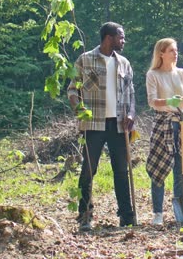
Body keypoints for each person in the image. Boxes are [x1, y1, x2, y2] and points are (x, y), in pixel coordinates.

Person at [67, 22, 136, 231]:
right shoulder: (85, 59)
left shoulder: (124, 63)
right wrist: (79, 111)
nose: (123, 41)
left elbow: (131, 94)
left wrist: (131, 114)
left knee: (121, 171)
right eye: (120, 37)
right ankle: (85, 215)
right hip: (93, 123)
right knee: (88, 170)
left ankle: (126, 215)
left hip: (118, 125)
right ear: (108, 37)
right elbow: (72, 90)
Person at [144, 38, 183, 225]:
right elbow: (152, 101)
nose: (176, 53)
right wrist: (169, 102)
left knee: (180, 168)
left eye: (176, 50)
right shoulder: (153, 74)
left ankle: (179, 211)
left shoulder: (182, 73)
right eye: (171, 50)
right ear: (161, 53)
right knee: (159, 167)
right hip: (163, 123)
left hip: (181, 123)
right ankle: (158, 213)